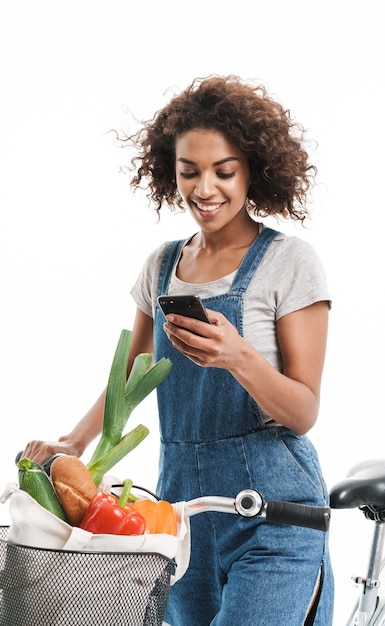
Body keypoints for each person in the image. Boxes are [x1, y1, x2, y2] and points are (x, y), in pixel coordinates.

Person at [22, 75, 334, 625]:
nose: (204, 188)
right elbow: (134, 372)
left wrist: (239, 357)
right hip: (181, 513)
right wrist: (74, 439)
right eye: (189, 171)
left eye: (224, 171)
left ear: (253, 171)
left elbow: (303, 411)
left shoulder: (291, 262)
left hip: (273, 516)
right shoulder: (162, 265)